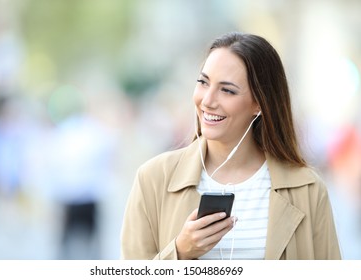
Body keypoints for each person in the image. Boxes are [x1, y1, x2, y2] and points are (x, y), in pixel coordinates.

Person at [120, 32, 341, 260]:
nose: (207, 101)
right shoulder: (153, 179)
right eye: (203, 83)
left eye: (227, 90)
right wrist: (180, 252)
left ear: (259, 104)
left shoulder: (308, 190)